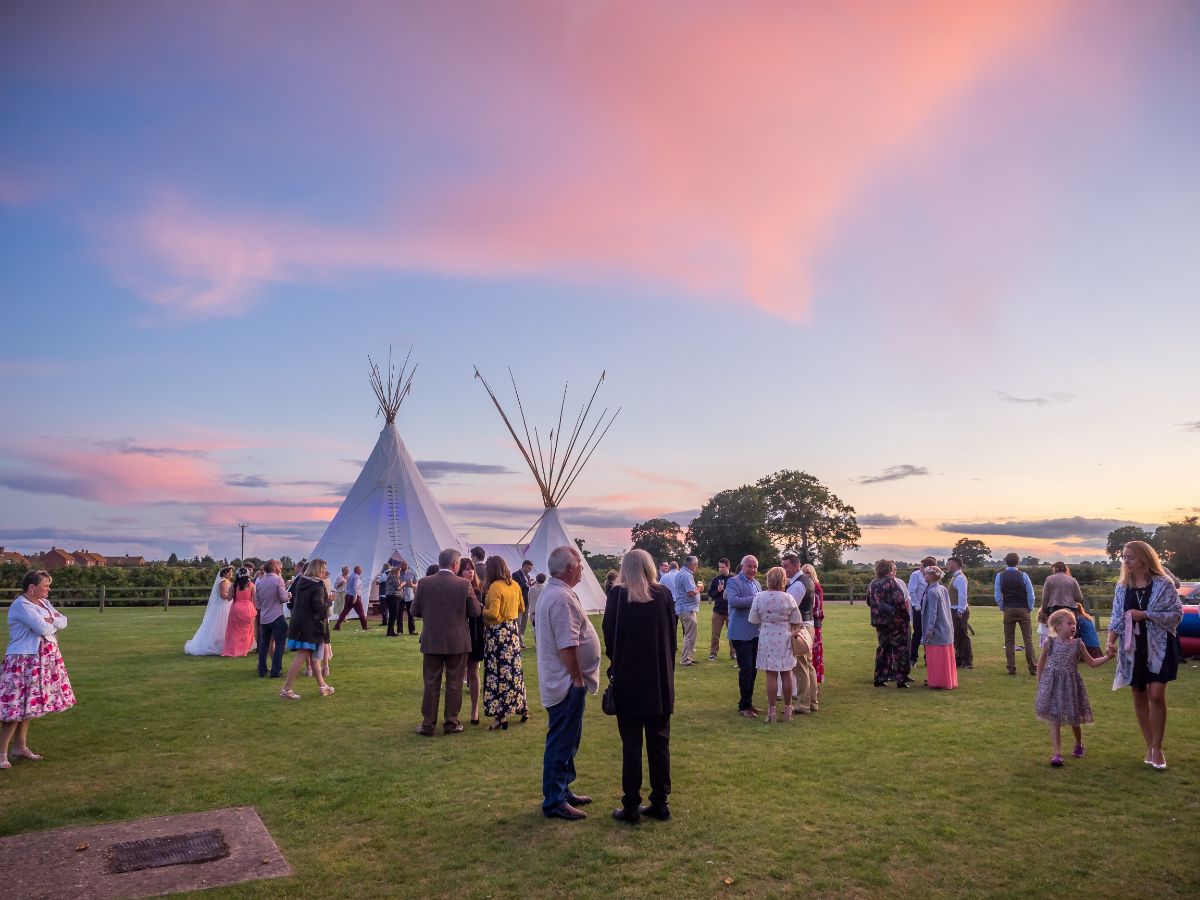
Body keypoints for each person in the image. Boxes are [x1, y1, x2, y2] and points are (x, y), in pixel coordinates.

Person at [603, 549, 676, 824]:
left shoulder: (618, 597)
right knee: (659, 743)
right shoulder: (663, 595)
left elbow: (610, 637)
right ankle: (660, 801)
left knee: (631, 744)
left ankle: (631, 805)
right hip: (658, 680)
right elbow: (672, 635)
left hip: (629, 680)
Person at [535, 545, 601, 821]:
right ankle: (554, 800)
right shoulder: (561, 598)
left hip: (565, 681)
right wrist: (576, 678)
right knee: (562, 740)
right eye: (580, 564)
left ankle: (562, 789)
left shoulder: (557, 593)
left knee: (568, 739)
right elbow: (567, 645)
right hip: (566, 684)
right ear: (570, 567)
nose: (582, 569)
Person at [1105, 540, 1183, 770]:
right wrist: (1110, 642)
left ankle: (1158, 747)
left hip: (1159, 644)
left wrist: (1145, 614)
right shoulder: (1122, 587)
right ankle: (1149, 745)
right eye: (1124, 557)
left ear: (1145, 558)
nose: (1126, 561)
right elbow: (1117, 616)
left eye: (1131, 557)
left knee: (1156, 694)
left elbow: (1176, 614)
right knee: (1139, 694)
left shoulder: (1163, 584)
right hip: (1133, 646)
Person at [1, 571, 76, 768]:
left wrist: (52, 620)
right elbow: (41, 628)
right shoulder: (22, 605)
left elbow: (64, 620)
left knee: (28, 706)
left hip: (41, 660)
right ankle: (1, 754)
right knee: (14, 708)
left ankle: (20, 747)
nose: (49, 589)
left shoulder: (43, 603)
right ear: (32, 587)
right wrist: (51, 621)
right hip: (22, 660)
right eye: (45, 585)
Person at [411, 549, 481, 735]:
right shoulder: (464, 584)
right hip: (457, 641)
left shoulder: (424, 583)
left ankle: (428, 724)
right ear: (455, 564)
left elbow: (414, 611)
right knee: (454, 682)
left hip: (432, 639)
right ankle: (451, 722)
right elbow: (476, 611)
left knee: (431, 682)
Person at [1037, 608, 1114, 766]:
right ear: (1057, 626)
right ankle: (1057, 753)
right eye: (1069, 623)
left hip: (1071, 685)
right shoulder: (1049, 642)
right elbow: (1041, 663)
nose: (1073, 626)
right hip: (1053, 684)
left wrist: (1107, 657)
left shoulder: (1078, 644)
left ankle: (1079, 743)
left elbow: (1091, 663)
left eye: (1074, 623)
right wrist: (1040, 682)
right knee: (1054, 717)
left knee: (1074, 718)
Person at [481, 556, 529, 730]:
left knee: (498, 673)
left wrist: (481, 609)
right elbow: (522, 608)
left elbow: (492, 614)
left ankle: (500, 714)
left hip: (498, 635)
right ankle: (522, 706)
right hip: (512, 633)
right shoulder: (515, 585)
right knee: (514, 671)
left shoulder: (495, 587)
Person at [749, 567, 802, 722]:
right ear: (783, 580)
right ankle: (787, 711)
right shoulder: (788, 598)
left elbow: (753, 619)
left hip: (766, 636)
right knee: (786, 672)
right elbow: (796, 619)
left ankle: (771, 711)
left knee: (770, 673)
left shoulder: (759, 597)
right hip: (785, 637)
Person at [278, 559, 333, 699]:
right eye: (322, 569)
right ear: (317, 569)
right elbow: (319, 607)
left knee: (314, 658)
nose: (324, 572)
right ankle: (286, 689)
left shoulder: (301, 582)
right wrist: (329, 602)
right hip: (310, 626)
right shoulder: (317, 586)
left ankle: (322, 686)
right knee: (302, 655)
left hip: (300, 623)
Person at [726, 555, 762, 717]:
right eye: (749, 566)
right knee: (746, 668)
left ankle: (748, 703)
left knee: (753, 669)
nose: (752, 570)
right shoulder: (734, 581)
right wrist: (756, 599)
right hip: (740, 633)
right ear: (742, 566)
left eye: (755, 567)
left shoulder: (757, 584)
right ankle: (744, 706)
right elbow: (734, 601)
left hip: (756, 632)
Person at [781, 552, 816, 715]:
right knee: (809, 666)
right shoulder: (807, 580)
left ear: (796, 565)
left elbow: (788, 609)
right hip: (808, 626)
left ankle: (803, 704)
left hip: (799, 628)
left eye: (786, 566)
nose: (784, 569)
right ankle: (812, 702)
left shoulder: (797, 585)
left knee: (801, 667)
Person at [1038, 562, 1099, 656]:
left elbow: (1045, 597)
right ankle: (1070, 654)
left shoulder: (1049, 579)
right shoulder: (1072, 580)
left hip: (1055, 609)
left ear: (1055, 569)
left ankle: (1056, 653)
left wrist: (1044, 611)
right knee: (1071, 632)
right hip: (1070, 610)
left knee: (1055, 632)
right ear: (1065, 569)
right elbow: (1079, 597)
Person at [867, 560, 912, 688]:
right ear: (889, 569)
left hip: (879, 622)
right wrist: (905, 617)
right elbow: (899, 601)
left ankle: (879, 678)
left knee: (883, 649)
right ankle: (900, 679)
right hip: (896, 621)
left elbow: (869, 601)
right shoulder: (891, 582)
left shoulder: (873, 583)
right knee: (899, 649)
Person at [994, 552, 1036, 676]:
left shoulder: (1000, 576)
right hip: (1023, 608)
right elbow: (1030, 594)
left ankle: (1011, 667)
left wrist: (1002, 606)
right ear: (1018, 562)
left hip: (1008, 608)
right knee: (1028, 639)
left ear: (1005, 562)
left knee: (1009, 640)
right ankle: (1033, 667)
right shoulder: (1024, 575)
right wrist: (1030, 607)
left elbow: (997, 594)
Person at [458, 557, 485, 726]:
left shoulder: (478, 589)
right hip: (459, 634)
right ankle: (454, 712)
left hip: (474, 633)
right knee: (458, 673)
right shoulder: (455, 588)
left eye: (472, 568)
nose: (470, 571)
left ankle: (474, 709)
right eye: (466, 569)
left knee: (474, 671)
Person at [920, 566, 957, 690]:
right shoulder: (943, 588)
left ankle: (938, 681)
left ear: (931, 576)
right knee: (945, 657)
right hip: (946, 626)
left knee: (936, 657)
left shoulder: (932, 592)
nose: (924, 576)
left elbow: (932, 613)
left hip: (937, 628)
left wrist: (929, 630)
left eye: (926, 574)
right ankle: (947, 680)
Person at [184, 566, 234, 655]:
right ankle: (218, 645)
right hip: (222, 606)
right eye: (230, 572)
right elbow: (223, 595)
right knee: (220, 625)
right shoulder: (224, 581)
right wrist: (232, 595)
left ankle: (223, 644)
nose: (231, 573)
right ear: (225, 573)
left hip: (224, 605)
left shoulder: (225, 581)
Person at [255, 560, 290, 678]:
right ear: (275, 568)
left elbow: (258, 603)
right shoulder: (278, 580)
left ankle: (262, 669)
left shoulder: (259, 582)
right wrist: (288, 595)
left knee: (263, 644)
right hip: (276, 615)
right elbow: (283, 598)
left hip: (264, 617)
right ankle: (275, 670)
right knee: (280, 644)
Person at [221, 567, 257, 657]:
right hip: (249, 608)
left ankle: (234, 649)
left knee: (234, 631)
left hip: (236, 608)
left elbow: (229, 598)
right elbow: (255, 600)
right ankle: (244, 649)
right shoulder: (252, 585)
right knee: (247, 631)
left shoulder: (233, 585)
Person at [671, 556, 701, 666]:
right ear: (691, 565)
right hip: (686, 608)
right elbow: (691, 592)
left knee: (690, 634)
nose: (696, 567)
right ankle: (685, 660)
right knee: (690, 634)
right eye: (696, 564)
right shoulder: (686, 575)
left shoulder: (682, 573)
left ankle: (688, 657)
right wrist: (699, 589)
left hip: (686, 608)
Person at [801, 563, 826, 691]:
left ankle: (814, 685)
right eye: (803, 573)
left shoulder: (816, 589)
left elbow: (816, 610)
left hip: (814, 624)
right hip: (808, 622)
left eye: (808, 573)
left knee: (814, 655)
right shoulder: (804, 587)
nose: (806, 575)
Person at [907, 556, 935, 667]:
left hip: (928, 607)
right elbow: (911, 591)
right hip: (918, 607)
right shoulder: (916, 575)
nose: (920, 568)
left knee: (929, 632)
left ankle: (928, 658)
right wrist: (916, 605)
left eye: (922, 566)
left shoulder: (932, 576)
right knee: (918, 632)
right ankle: (913, 658)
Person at [945, 557, 972, 668]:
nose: (947, 565)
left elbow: (962, 596)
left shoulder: (960, 578)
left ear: (955, 564)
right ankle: (959, 659)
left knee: (962, 636)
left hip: (958, 610)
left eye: (949, 563)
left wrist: (960, 611)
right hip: (954, 609)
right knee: (957, 636)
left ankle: (967, 661)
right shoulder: (955, 577)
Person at [707, 558, 733, 662]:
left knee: (732, 633)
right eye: (719, 567)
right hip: (717, 610)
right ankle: (713, 654)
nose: (720, 569)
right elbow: (710, 593)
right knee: (715, 634)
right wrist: (717, 590)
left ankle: (734, 653)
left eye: (722, 567)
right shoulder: (716, 579)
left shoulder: (733, 579)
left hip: (730, 610)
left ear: (728, 567)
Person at [334, 564, 368, 630]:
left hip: (348, 595)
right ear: (357, 571)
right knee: (361, 612)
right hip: (354, 596)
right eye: (360, 570)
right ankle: (365, 626)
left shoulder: (350, 577)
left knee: (345, 611)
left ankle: (337, 625)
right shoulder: (357, 577)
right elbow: (356, 587)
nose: (361, 572)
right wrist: (355, 596)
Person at [513, 559, 534, 649]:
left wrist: (531, 586)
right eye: (529, 568)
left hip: (526, 602)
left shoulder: (528, 576)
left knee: (524, 625)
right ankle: (516, 642)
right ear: (524, 566)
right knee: (518, 623)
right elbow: (515, 587)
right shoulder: (515, 574)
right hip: (518, 602)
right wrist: (526, 584)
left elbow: (526, 588)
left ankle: (520, 642)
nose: (530, 570)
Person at [398, 560, 417, 634]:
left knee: (411, 613)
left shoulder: (411, 573)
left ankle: (412, 630)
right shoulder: (397, 573)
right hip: (400, 596)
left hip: (409, 596)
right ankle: (399, 630)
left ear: (407, 566)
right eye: (402, 565)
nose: (403, 567)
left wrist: (412, 585)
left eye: (405, 565)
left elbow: (416, 584)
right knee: (399, 614)